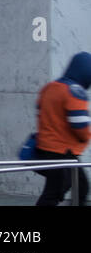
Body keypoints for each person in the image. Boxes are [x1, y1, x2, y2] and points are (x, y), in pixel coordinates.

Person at [33, 51, 91, 206]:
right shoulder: (75, 92)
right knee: (54, 192)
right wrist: (86, 136)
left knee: (81, 187)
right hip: (63, 152)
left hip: (46, 148)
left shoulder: (50, 87)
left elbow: (39, 112)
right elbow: (79, 124)